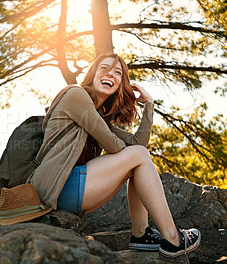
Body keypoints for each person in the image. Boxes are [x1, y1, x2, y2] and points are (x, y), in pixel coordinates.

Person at [27, 53, 201, 258]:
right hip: (56, 187)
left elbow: (138, 145)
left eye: (117, 73)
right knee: (137, 156)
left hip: (71, 189)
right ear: (93, 74)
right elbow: (115, 146)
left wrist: (149, 107)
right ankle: (173, 239)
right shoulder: (75, 94)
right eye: (104, 68)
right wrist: (119, 143)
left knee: (138, 159)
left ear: (121, 84)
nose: (110, 74)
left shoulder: (98, 115)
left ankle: (141, 235)